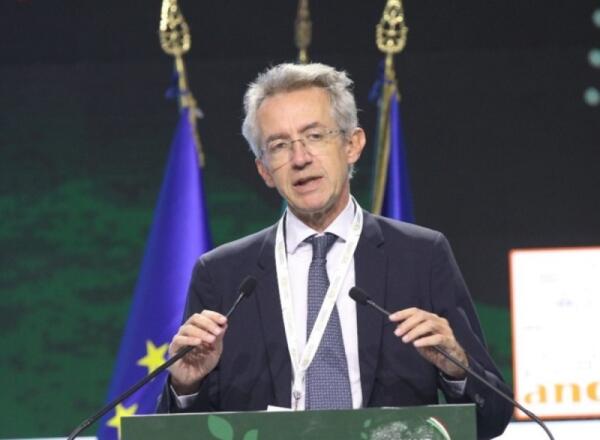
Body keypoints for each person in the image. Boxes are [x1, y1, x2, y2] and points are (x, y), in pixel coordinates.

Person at [157, 63, 513, 439]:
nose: (300, 158)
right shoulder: (222, 274)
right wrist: (186, 386)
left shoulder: (421, 256)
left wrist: (456, 368)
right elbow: (180, 433)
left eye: (314, 136)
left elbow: (492, 419)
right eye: (279, 145)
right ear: (264, 170)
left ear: (352, 144)